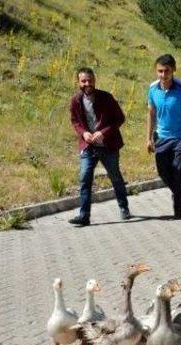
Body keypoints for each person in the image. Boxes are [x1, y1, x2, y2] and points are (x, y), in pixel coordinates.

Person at [69, 67, 130, 226]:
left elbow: (120, 119)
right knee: (84, 178)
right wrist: (83, 133)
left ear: (95, 81)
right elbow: (75, 121)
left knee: (115, 177)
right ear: (78, 82)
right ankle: (84, 215)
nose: (87, 84)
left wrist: (103, 133)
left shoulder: (107, 98)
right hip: (88, 147)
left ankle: (124, 207)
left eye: (90, 80)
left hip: (108, 145)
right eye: (83, 81)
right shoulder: (75, 101)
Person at [146, 54, 181, 219]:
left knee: (179, 172)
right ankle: (177, 191)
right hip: (161, 138)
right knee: (163, 172)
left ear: (173, 70)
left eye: (166, 71)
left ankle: (178, 209)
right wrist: (148, 138)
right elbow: (151, 115)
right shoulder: (152, 90)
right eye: (160, 71)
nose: (163, 74)